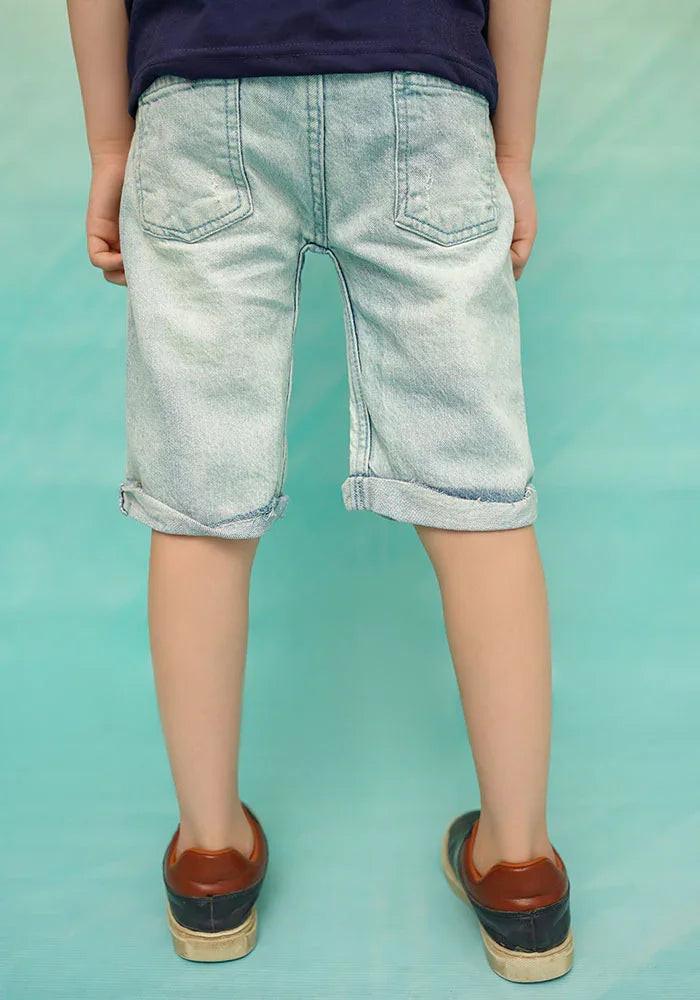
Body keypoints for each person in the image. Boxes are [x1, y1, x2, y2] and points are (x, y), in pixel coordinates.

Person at [67, 0, 573, 983]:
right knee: (476, 494)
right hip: (420, 85)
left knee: (200, 498)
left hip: (202, 87)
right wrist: (513, 152)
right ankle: (520, 866)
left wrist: (107, 144)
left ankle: (210, 856)